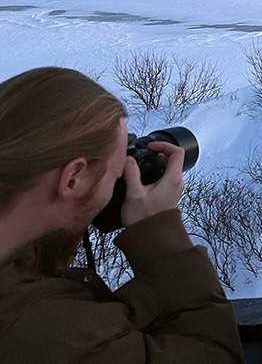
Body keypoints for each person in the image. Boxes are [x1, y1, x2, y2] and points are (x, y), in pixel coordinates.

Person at [0, 67, 243, 363]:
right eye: (117, 172)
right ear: (73, 179)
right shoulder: (45, 331)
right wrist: (159, 235)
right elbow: (217, 357)